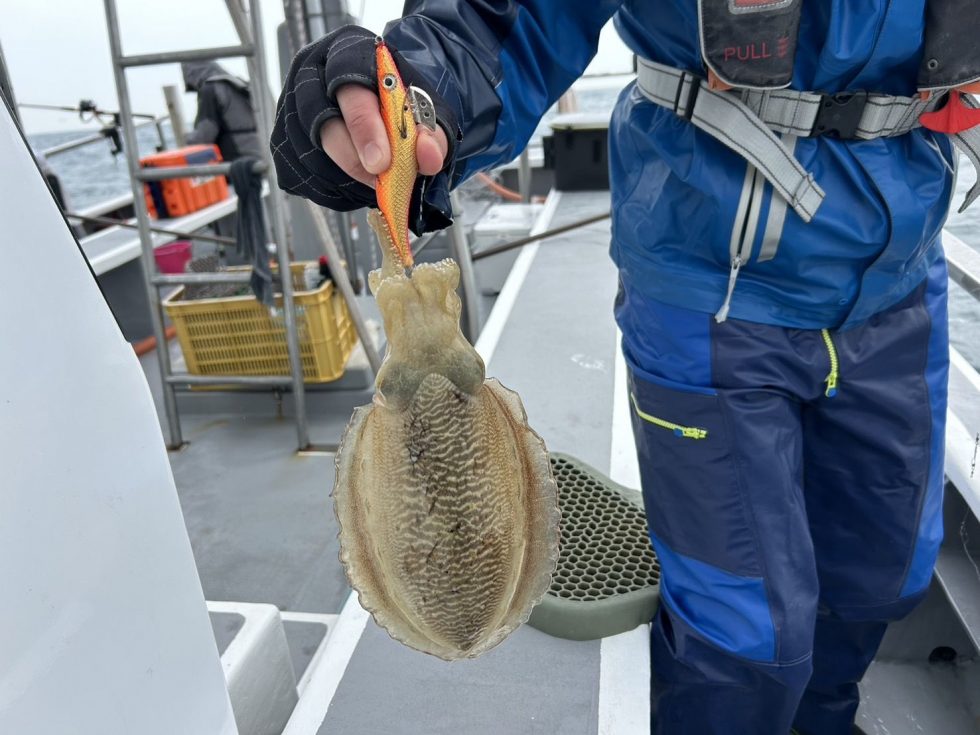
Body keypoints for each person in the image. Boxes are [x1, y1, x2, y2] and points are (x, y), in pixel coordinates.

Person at [270, 3, 980, 733]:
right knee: (744, 634)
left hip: (901, 274)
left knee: (881, 579)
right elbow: (505, 17)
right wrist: (416, 91)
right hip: (707, 283)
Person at [181, 61, 261, 161]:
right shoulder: (238, 84)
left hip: (237, 158)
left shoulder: (210, 88)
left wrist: (185, 141)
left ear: (191, 74)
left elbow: (206, 133)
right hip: (259, 153)